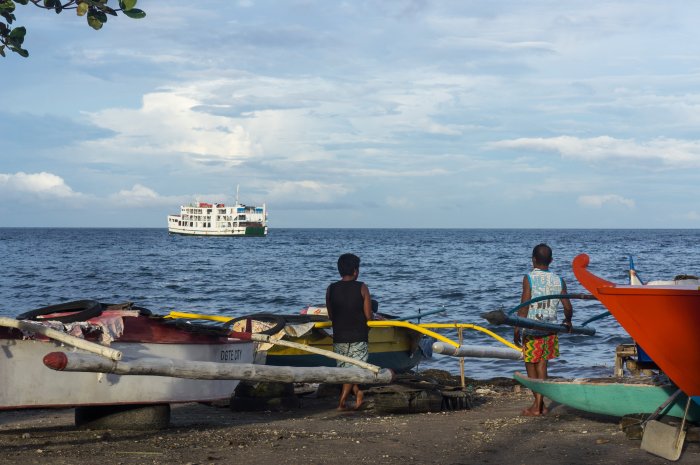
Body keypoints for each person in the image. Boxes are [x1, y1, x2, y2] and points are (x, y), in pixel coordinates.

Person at [514, 243, 573, 416]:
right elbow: (568, 307)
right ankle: (540, 404)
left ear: (533, 260)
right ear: (551, 260)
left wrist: (517, 326)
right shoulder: (559, 279)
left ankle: (538, 406)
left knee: (530, 363)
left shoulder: (529, 278)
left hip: (531, 328)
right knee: (542, 364)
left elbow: (524, 305)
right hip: (550, 328)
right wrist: (568, 321)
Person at [326, 253, 373, 411]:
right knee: (353, 371)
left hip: (339, 336)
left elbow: (332, 315)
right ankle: (342, 402)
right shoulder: (362, 287)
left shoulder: (331, 289)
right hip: (359, 335)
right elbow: (368, 316)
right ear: (355, 271)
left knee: (347, 370)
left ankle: (358, 393)